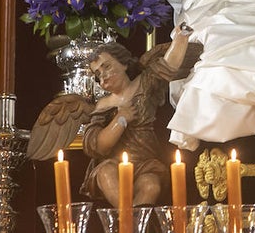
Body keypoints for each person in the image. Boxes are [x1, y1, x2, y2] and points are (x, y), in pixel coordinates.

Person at [80, 28, 199, 206]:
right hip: (114, 165)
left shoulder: (144, 83)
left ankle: (133, 224)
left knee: (151, 185)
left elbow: (169, 64)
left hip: (147, 163)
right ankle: (127, 220)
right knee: (105, 174)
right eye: (97, 73)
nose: (103, 75)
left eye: (107, 66)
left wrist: (181, 37)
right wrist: (121, 119)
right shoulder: (103, 105)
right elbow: (99, 146)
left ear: (124, 64)